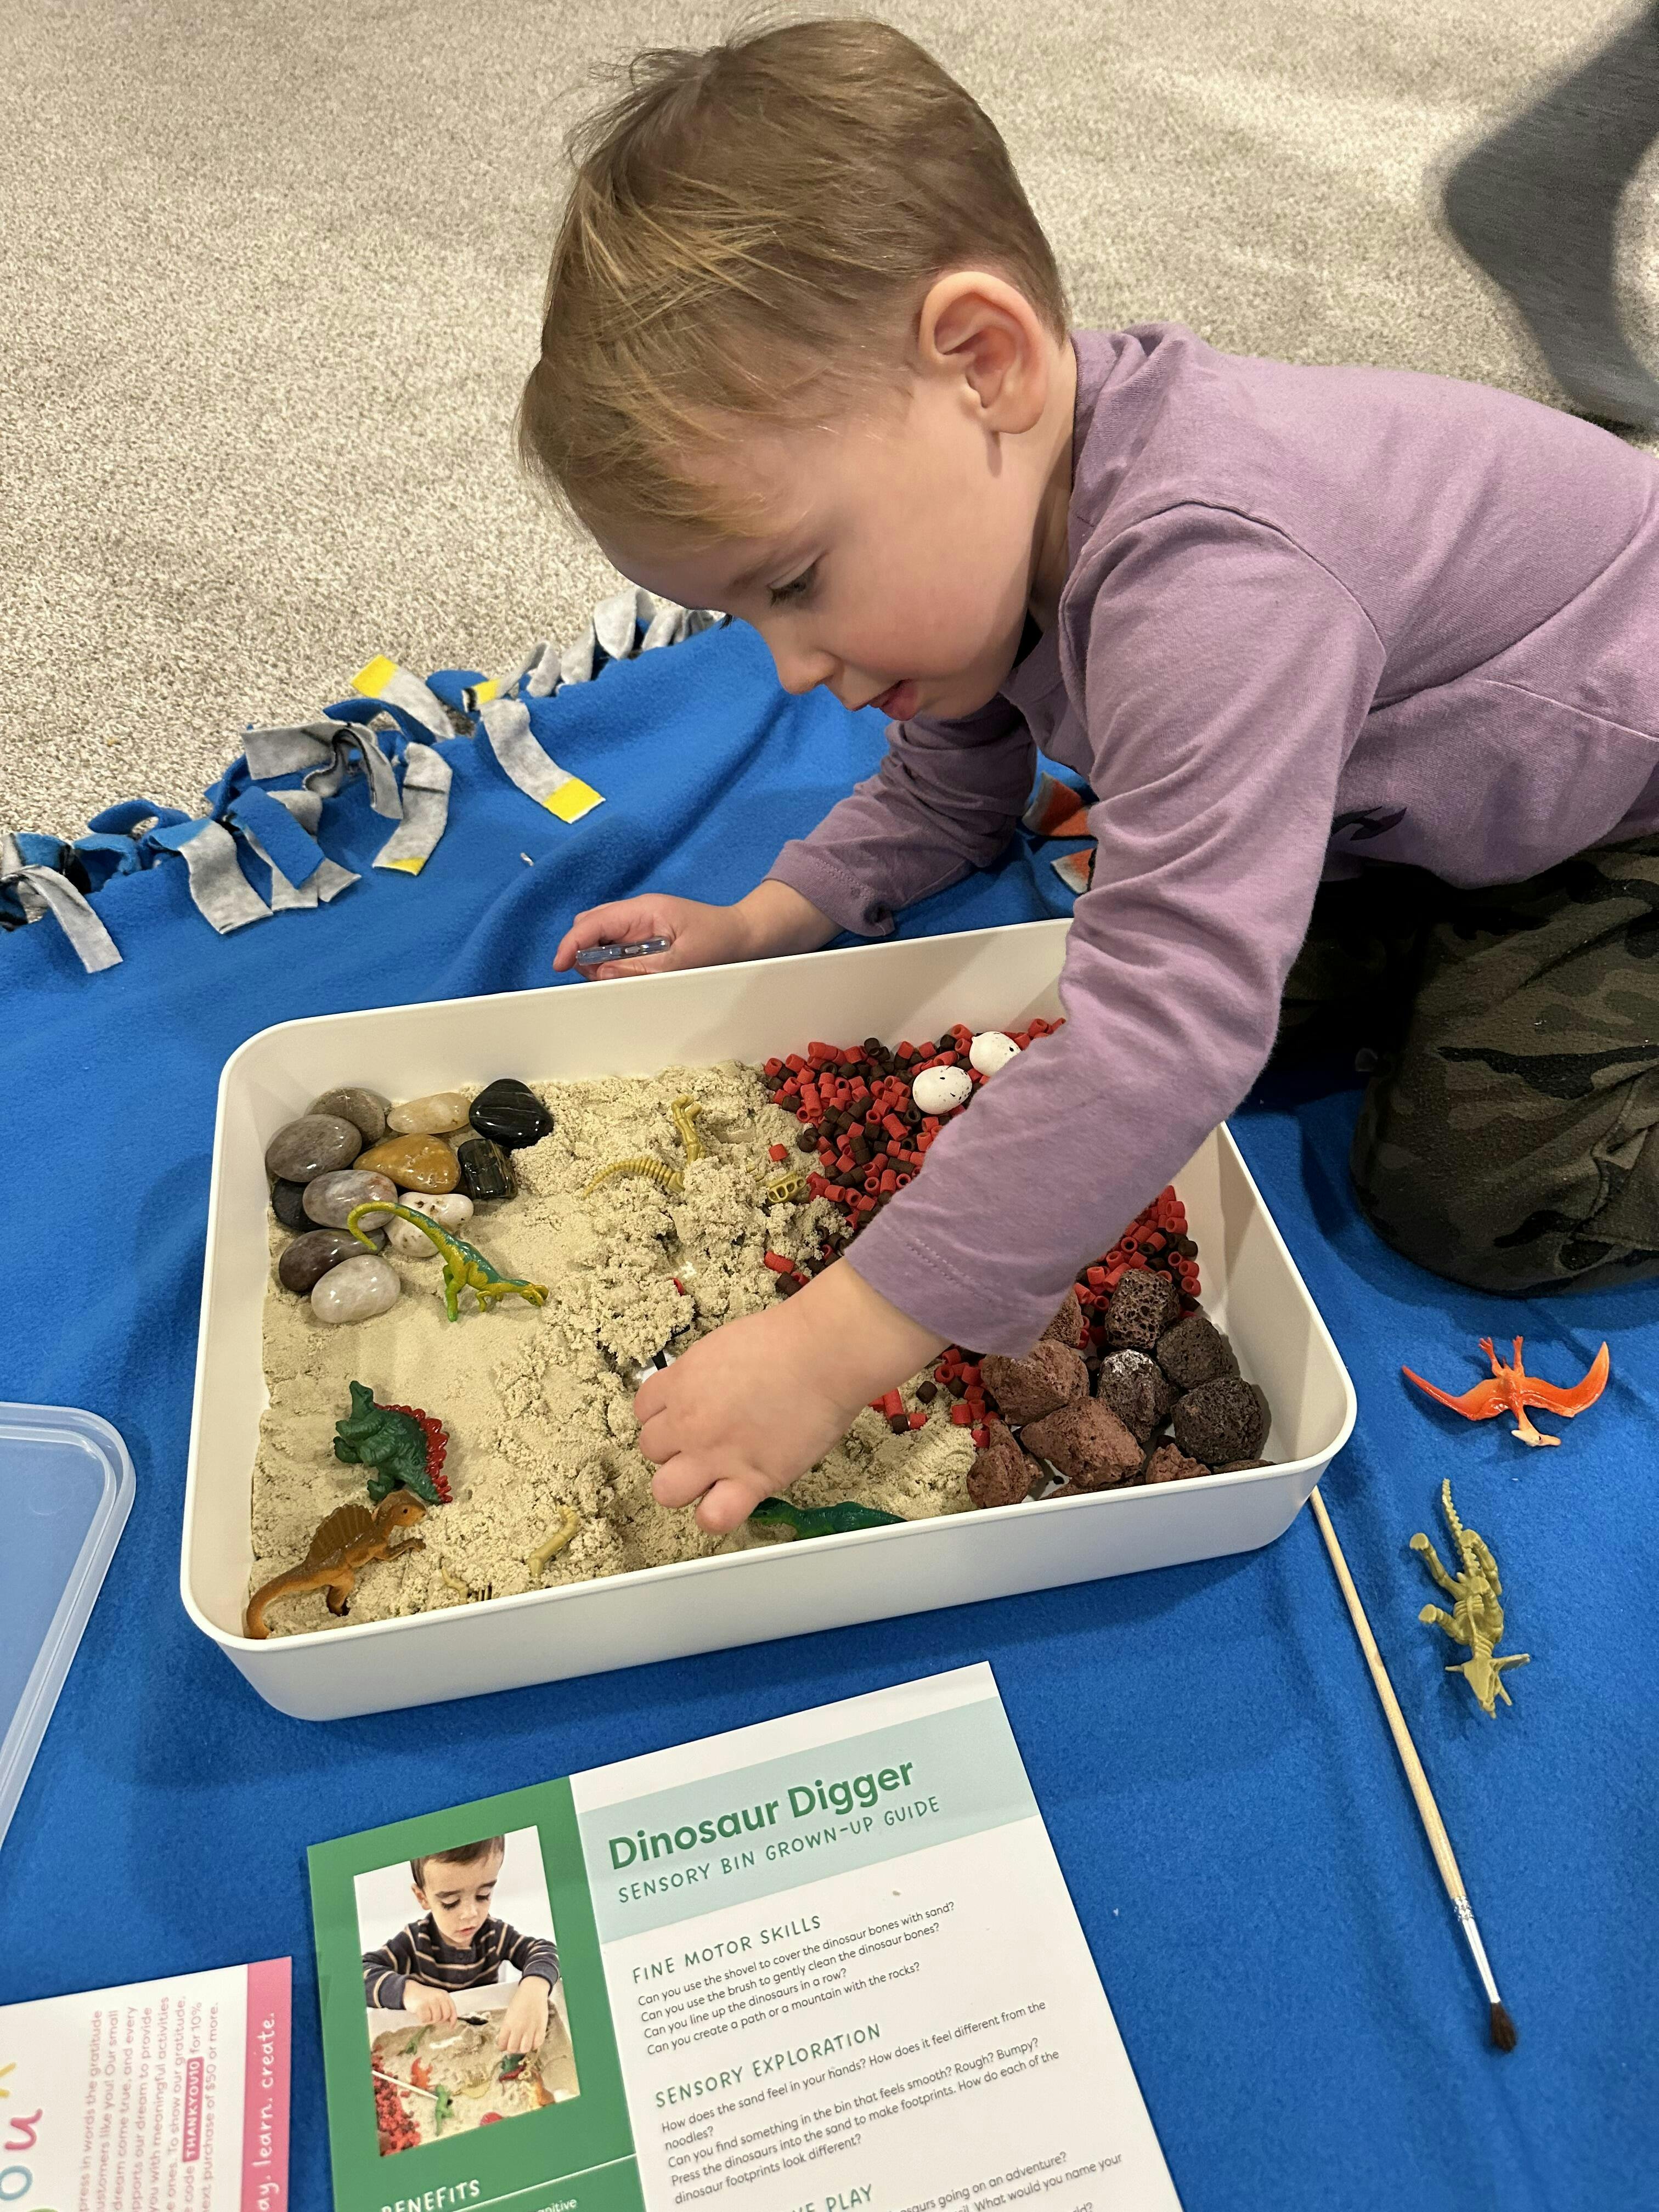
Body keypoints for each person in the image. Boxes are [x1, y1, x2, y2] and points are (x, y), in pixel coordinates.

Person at [519, 19, 1659, 1536]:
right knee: (1156, 1000)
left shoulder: (1213, 584)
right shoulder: (1005, 522)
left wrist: (839, 1340)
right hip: (1438, 796)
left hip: (1625, 817)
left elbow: (1171, 1016)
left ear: (984, 363)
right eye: (744, 616)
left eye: (794, 582)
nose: (788, 668)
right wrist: (769, 916)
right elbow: (955, 780)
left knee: (1465, 1183)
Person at [362, 1837, 560, 2055]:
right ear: (422, 1897)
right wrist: (410, 1992)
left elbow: (546, 1951)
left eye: (483, 1895)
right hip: (433, 2043)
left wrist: (534, 1989)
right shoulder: (414, 1942)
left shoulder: (495, 1934)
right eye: (451, 1903)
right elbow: (357, 1976)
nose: (470, 1914)